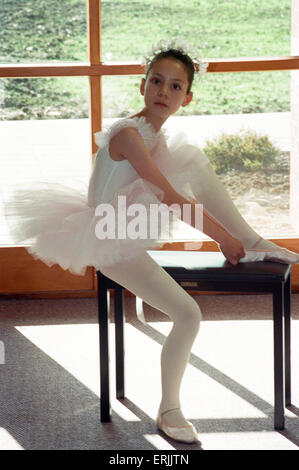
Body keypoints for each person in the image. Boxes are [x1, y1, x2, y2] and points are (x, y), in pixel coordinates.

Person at [4, 39, 299, 444]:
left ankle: (253, 240)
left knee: (192, 159)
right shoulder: (128, 133)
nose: (164, 91)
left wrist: (233, 238)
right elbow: (173, 200)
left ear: (188, 98)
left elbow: (177, 193)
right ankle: (170, 409)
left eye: (175, 86)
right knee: (189, 315)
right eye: (156, 81)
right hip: (108, 240)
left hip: (128, 228)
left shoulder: (155, 137)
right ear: (141, 85)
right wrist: (223, 240)